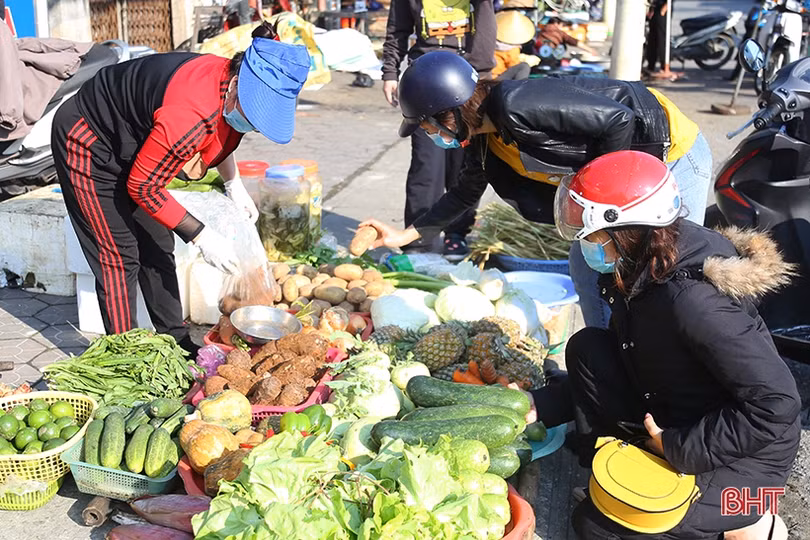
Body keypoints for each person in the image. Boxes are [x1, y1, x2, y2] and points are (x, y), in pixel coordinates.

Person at [535, 150, 798, 540]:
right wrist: (541, 405)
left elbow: (776, 405)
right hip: (682, 415)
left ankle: (754, 520)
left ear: (625, 228)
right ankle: (632, 483)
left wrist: (675, 447)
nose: (583, 242)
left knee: (595, 529)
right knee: (588, 349)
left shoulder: (693, 301)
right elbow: (632, 358)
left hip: (750, 464)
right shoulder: (643, 260)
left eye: (588, 232)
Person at [361, 51, 712, 329]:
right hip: (625, 176)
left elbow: (618, 119)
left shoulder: (517, 104)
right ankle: (611, 359)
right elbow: (464, 195)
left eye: (426, 126)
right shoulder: (485, 139)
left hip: (671, 156)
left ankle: (673, 367)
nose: (429, 136)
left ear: (448, 113)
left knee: (664, 270)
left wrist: (605, 201)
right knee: (586, 267)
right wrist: (404, 235)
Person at [51, 23, 310, 354]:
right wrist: (202, 236)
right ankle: (125, 356)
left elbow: (221, 134)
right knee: (119, 255)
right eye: (253, 111)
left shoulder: (228, 83)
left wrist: (234, 184)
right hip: (87, 141)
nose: (253, 123)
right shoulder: (189, 113)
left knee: (158, 244)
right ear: (236, 87)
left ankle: (175, 338)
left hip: (136, 145)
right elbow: (144, 187)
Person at [382, 0, 496, 259]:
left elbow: (487, 29)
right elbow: (397, 29)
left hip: (468, 84)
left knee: (466, 167)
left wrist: (482, 76)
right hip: (426, 84)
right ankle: (417, 241)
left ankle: (457, 234)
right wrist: (390, 72)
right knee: (426, 167)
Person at [493, 11, 536, 81]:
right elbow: (513, 64)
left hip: (486, 76)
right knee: (524, 67)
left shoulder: (493, 42)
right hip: (496, 79)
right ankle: (519, 89)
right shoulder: (512, 48)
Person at [645, 0, 669, 74]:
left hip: (662, 10)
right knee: (652, 39)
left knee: (661, 39)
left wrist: (664, 8)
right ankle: (651, 65)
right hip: (654, 9)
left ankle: (663, 65)